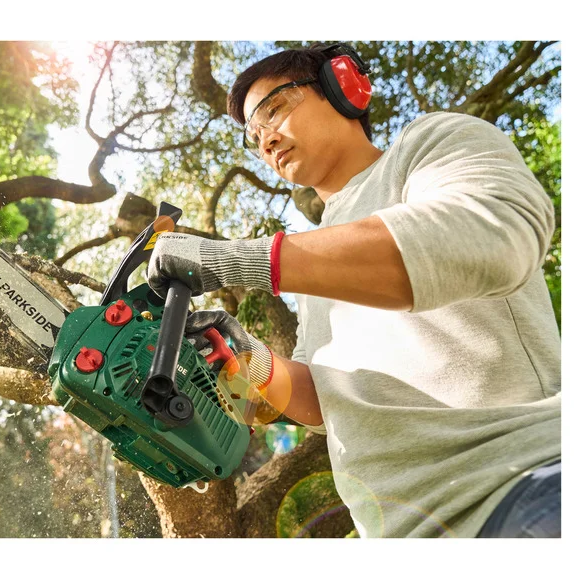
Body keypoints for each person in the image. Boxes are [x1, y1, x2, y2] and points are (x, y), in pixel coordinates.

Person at [147, 42, 561, 538]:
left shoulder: (430, 144)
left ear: (343, 86)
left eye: (273, 110)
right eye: (254, 136)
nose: (266, 140)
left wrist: (234, 259)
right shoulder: (313, 265)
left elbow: (492, 236)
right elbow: (321, 402)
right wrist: (241, 358)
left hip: (521, 485)